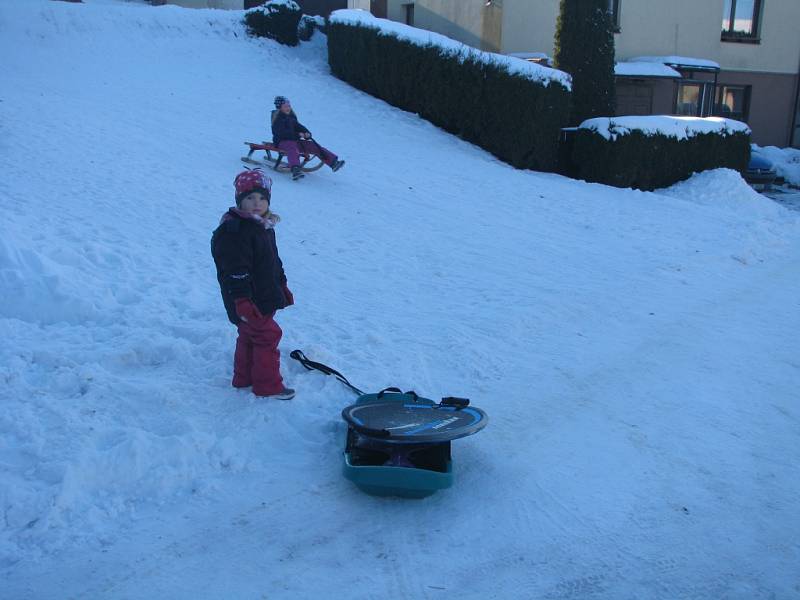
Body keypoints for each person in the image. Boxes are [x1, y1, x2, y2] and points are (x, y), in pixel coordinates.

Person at [211, 169, 295, 400]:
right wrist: (242, 301)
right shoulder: (236, 232)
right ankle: (268, 386)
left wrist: (282, 285)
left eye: (261, 198)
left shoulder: (262, 227)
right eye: (249, 198)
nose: (256, 203)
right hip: (249, 300)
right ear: (239, 201)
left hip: (262, 295)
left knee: (249, 335)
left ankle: (243, 378)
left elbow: (273, 262)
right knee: (268, 335)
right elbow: (235, 271)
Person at [271, 95, 345, 180]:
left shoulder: (291, 117)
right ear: (279, 107)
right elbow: (282, 133)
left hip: (295, 142)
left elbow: (299, 126)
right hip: (282, 142)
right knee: (292, 147)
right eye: (285, 106)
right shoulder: (277, 118)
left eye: (289, 106)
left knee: (313, 146)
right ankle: (295, 169)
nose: (288, 108)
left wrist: (307, 133)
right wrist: (298, 135)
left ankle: (333, 163)